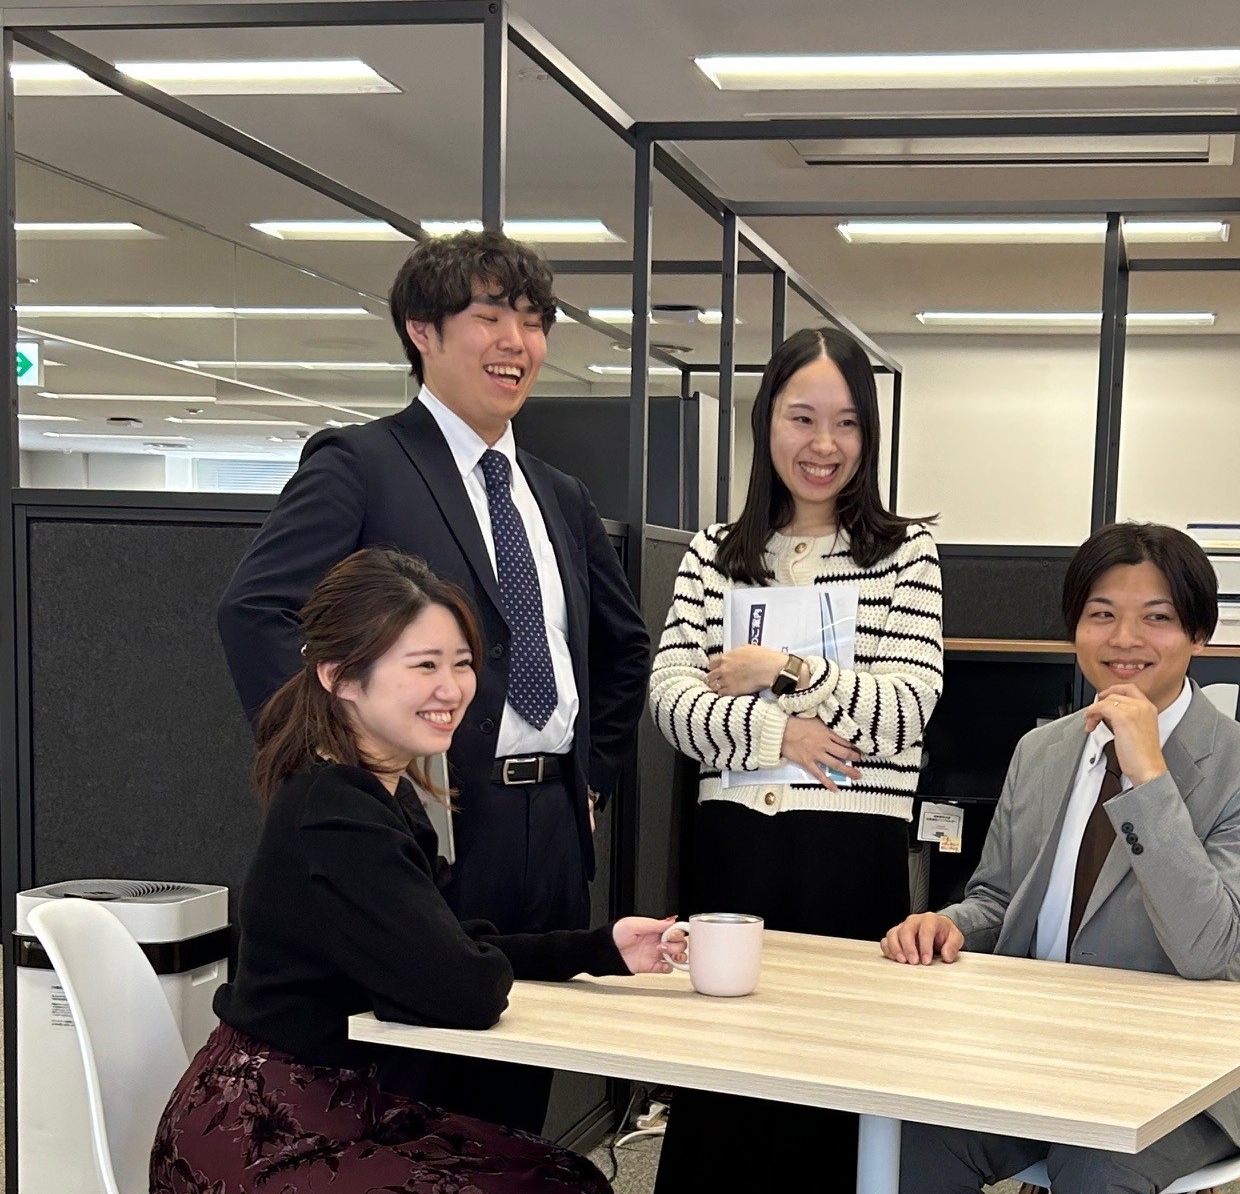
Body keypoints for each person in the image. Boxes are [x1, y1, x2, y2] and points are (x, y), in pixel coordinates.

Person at [217, 231, 650, 1130]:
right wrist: (340, 766)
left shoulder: (558, 493)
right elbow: (256, 611)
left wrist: (593, 778)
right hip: (437, 812)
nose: (517, 342)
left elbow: (621, 647)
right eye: (489, 316)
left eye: (534, 321)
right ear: (422, 329)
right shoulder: (362, 462)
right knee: (422, 1085)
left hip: (554, 828)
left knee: (520, 1095)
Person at [153, 549, 681, 1194]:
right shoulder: (338, 815)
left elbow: (453, 947)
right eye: (424, 665)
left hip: (338, 1104)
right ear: (340, 677)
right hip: (268, 1133)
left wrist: (601, 949)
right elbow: (461, 989)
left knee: (566, 1176)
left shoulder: (379, 794)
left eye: (462, 663)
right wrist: (467, 964)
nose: (452, 689)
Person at [883, 521, 1240, 1194]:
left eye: (1157, 618)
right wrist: (949, 924)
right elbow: (998, 898)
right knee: (906, 1137)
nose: (1125, 638)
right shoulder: (1041, 750)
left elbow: (1206, 948)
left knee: (1098, 1164)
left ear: (1198, 634)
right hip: (1033, 1047)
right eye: (1101, 615)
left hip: (1181, 1068)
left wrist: (1148, 775)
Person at [648, 327, 945, 1194]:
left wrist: (782, 670)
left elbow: (905, 708)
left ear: (870, 434)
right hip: (735, 844)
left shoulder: (905, 553)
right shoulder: (713, 553)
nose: (824, 444)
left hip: (848, 848)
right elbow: (672, 703)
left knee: (832, 1077)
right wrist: (782, 734)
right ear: (766, 421)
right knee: (723, 1074)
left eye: (846, 422)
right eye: (802, 417)